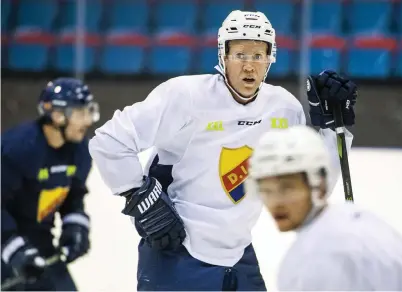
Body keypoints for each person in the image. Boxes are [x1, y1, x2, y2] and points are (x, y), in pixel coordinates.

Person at [89, 10, 357, 291]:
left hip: (238, 253)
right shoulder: (186, 96)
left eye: (258, 56)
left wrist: (333, 129)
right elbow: (109, 141)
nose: (250, 66)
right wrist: (138, 195)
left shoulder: (284, 107)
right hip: (176, 250)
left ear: (270, 58)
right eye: (240, 55)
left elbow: (313, 182)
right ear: (223, 56)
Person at [247, 125, 402, 291]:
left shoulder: (317, 258)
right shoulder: (361, 220)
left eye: (287, 188)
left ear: (319, 184)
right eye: (266, 190)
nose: (276, 202)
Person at [1, 77, 100, 291]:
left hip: (39, 243)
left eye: (89, 111)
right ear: (57, 115)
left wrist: (75, 227)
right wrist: (15, 251)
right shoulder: (18, 149)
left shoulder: (79, 150)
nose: (88, 120)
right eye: (81, 113)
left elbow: (73, 196)